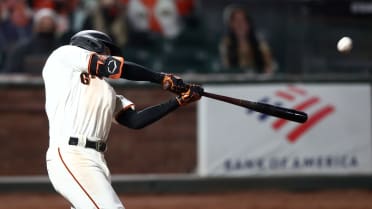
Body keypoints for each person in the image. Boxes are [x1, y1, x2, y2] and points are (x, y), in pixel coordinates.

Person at [42, 30, 203, 209]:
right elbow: (113, 67)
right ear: (91, 44)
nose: (109, 55)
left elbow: (135, 120)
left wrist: (179, 101)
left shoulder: (107, 91)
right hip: (71, 154)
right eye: (106, 50)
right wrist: (161, 78)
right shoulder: (64, 56)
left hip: (95, 159)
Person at [219, 5, 275, 74]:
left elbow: (269, 67)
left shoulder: (260, 44)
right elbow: (225, 68)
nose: (240, 24)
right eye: (236, 21)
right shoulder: (226, 44)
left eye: (243, 20)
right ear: (230, 24)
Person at [3, 8, 60, 74]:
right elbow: (11, 70)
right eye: (43, 22)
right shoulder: (23, 48)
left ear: (55, 26)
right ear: (36, 25)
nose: (46, 24)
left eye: (49, 22)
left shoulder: (61, 49)